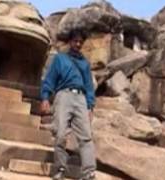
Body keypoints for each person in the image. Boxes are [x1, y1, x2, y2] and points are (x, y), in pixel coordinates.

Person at [40, 29, 96, 180]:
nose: (78, 44)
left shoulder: (85, 64)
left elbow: (89, 86)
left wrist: (90, 106)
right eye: (75, 41)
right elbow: (50, 79)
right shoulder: (60, 59)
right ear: (70, 42)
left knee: (86, 137)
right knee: (60, 134)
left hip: (80, 99)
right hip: (63, 96)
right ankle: (60, 169)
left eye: (80, 42)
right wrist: (45, 97)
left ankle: (89, 173)